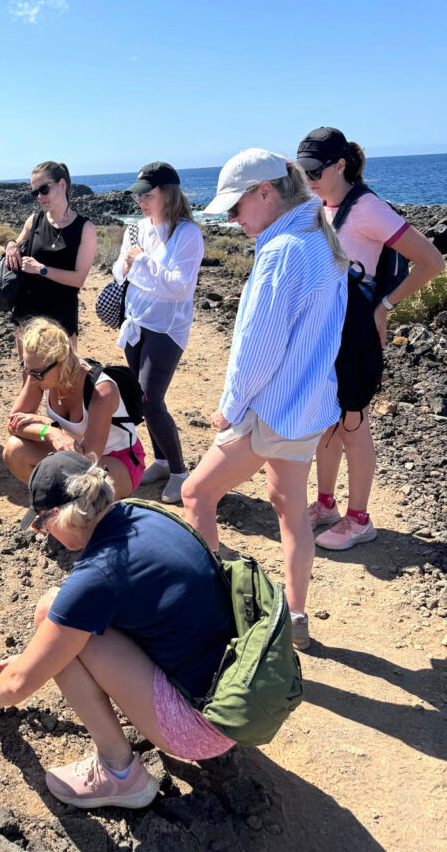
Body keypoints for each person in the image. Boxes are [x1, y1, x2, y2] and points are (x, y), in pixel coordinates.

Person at [0, 450, 236, 809]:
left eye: (41, 525)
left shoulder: (100, 572)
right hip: (236, 701)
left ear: (60, 516)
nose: (45, 536)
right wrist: (34, 656)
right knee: (62, 622)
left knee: (52, 609)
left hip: (199, 731)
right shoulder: (147, 516)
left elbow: (18, 685)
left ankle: (120, 773)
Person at [180, 149, 348, 651]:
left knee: (195, 495)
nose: (233, 220)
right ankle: (296, 616)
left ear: (265, 192)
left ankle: (211, 612)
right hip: (309, 408)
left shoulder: (281, 251)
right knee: (289, 509)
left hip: (270, 411)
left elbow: (258, 346)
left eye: (236, 207)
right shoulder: (321, 238)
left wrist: (230, 408)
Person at [296, 127, 445, 551]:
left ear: (340, 165)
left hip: (356, 332)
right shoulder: (322, 204)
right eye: (301, 170)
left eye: (315, 170)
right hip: (327, 330)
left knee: (352, 424)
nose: (308, 178)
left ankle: (359, 519)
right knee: (327, 416)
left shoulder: (367, 208)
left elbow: (431, 261)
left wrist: (385, 307)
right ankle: (326, 505)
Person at [111, 161, 204, 503]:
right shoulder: (137, 229)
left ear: (168, 194)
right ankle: (162, 462)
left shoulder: (188, 234)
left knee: (151, 399)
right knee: (140, 398)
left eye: (149, 195)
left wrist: (143, 264)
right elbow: (119, 272)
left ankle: (180, 472)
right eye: (140, 196)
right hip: (137, 320)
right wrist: (131, 264)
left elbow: (178, 288)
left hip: (167, 328)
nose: (142, 202)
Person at [2, 317, 145, 500]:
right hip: (71, 452)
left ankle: (68, 511)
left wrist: (52, 427)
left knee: (81, 485)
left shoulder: (102, 391)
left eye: (36, 373)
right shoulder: (38, 371)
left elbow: (86, 462)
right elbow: (13, 423)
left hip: (117, 459)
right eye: (26, 368)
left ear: (61, 362)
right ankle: (57, 507)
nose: (31, 377)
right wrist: (50, 431)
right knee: (14, 450)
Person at [6, 161, 97, 355]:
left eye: (44, 189)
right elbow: (16, 241)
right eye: (35, 193)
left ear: (62, 185)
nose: (39, 197)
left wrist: (42, 269)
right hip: (27, 313)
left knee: (62, 382)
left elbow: (78, 279)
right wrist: (11, 245)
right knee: (29, 378)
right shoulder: (34, 220)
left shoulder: (85, 228)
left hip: (61, 317)